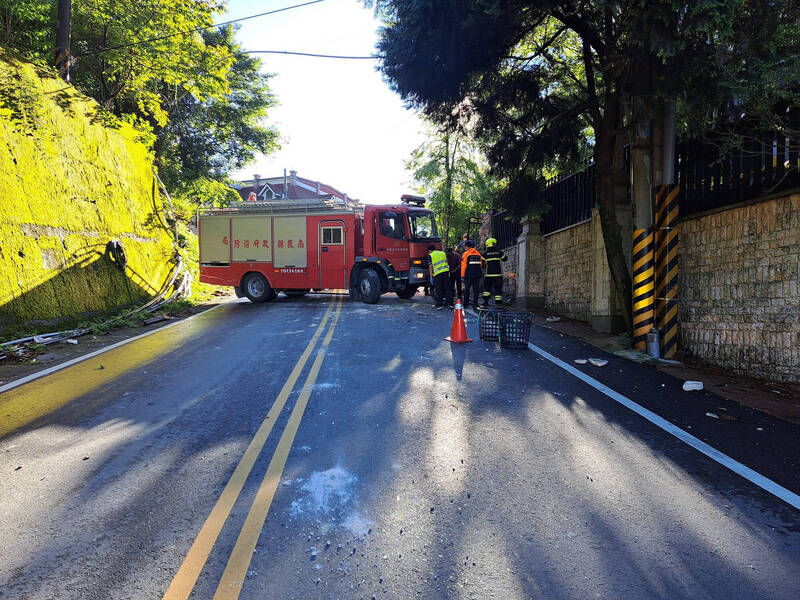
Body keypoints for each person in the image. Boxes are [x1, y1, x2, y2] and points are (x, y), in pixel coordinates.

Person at [481, 237, 507, 307]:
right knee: (498, 288)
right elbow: (505, 259)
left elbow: (482, 264)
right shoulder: (499, 252)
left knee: (487, 289)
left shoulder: (485, 253)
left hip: (489, 274)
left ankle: (485, 301)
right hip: (498, 274)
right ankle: (498, 301)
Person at [460, 240, 484, 309]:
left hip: (468, 274)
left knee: (467, 289)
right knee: (476, 290)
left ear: (467, 247)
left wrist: (462, 275)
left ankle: (465, 304)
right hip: (477, 274)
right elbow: (481, 264)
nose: (464, 248)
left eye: (465, 247)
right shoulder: (478, 253)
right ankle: (475, 304)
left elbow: (463, 265)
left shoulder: (466, 254)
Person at [427, 244, 452, 309]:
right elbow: (446, 262)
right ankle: (450, 303)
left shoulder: (430, 255)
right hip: (446, 272)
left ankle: (439, 304)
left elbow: (430, 267)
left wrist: (431, 277)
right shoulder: (443, 253)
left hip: (438, 273)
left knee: (438, 289)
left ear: (430, 250)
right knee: (447, 288)